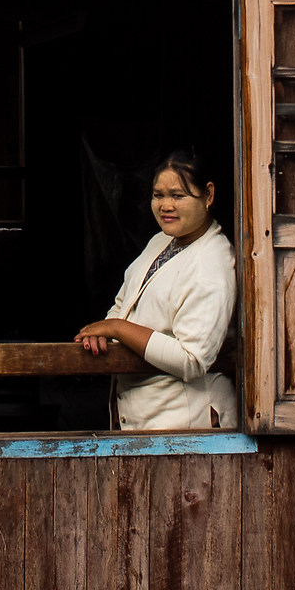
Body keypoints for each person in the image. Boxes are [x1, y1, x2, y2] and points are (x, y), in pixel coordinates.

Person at [75, 148, 239, 430]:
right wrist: (106, 336)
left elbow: (192, 358)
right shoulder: (162, 242)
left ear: (208, 195)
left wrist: (116, 329)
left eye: (178, 195)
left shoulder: (212, 265)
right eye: (158, 195)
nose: (165, 205)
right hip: (144, 418)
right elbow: (125, 301)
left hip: (186, 423)